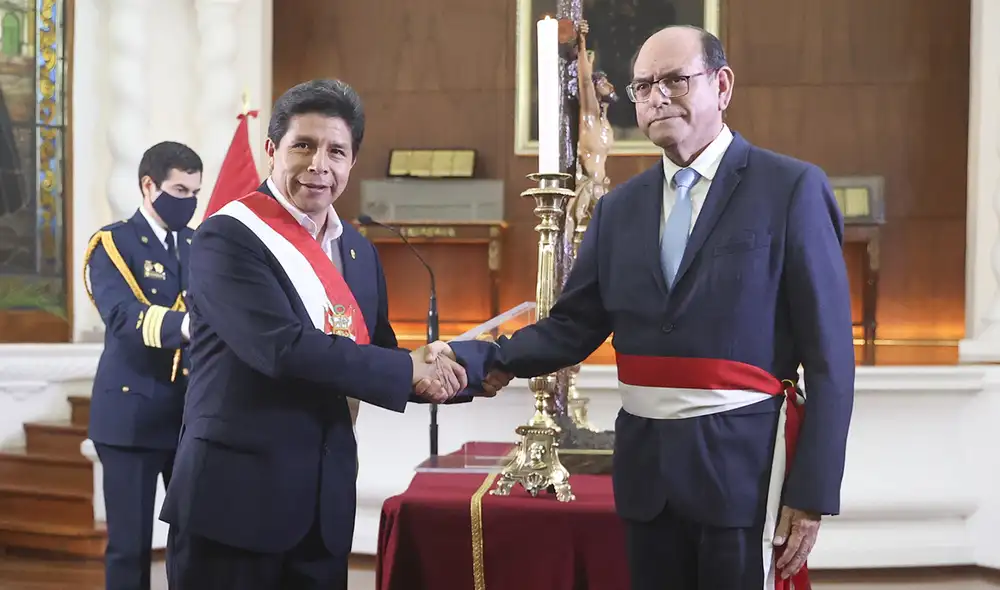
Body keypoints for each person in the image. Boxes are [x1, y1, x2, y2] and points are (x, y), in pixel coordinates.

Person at [444, 25, 855, 590]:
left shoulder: (791, 189)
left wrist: (811, 495)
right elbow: (571, 327)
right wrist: (476, 359)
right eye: (642, 87)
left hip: (745, 473)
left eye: (675, 80)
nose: (657, 96)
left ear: (722, 85)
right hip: (646, 478)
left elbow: (832, 360)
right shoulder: (619, 210)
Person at [159, 79, 480, 590]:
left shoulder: (359, 252)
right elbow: (280, 349)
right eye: (303, 146)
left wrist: (475, 369)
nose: (319, 165)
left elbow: (377, 358)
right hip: (233, 510)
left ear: (352, 163)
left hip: (323, 513)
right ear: (271, 150)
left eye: (336, 151)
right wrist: (406, 368)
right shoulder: (226, 237)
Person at [83, 141, 203, 590]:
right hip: (131, 415)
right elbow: (123, 317)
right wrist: (191, 325)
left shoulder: (198, 242)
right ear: (148, 186)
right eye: (178, 190)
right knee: (130, 547)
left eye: (194, 192)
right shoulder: (113, 243)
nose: (187, 202)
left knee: (193, 543)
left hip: (187, 415)